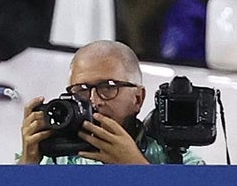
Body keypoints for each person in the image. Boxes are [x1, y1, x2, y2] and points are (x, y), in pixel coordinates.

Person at [18, 40, 204, 165]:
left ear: (138, 98)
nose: (94, 100)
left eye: (108, 87)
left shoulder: (177, 160)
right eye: (81, 90)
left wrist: (136, 167)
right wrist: (28, 162)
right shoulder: (54, 157)